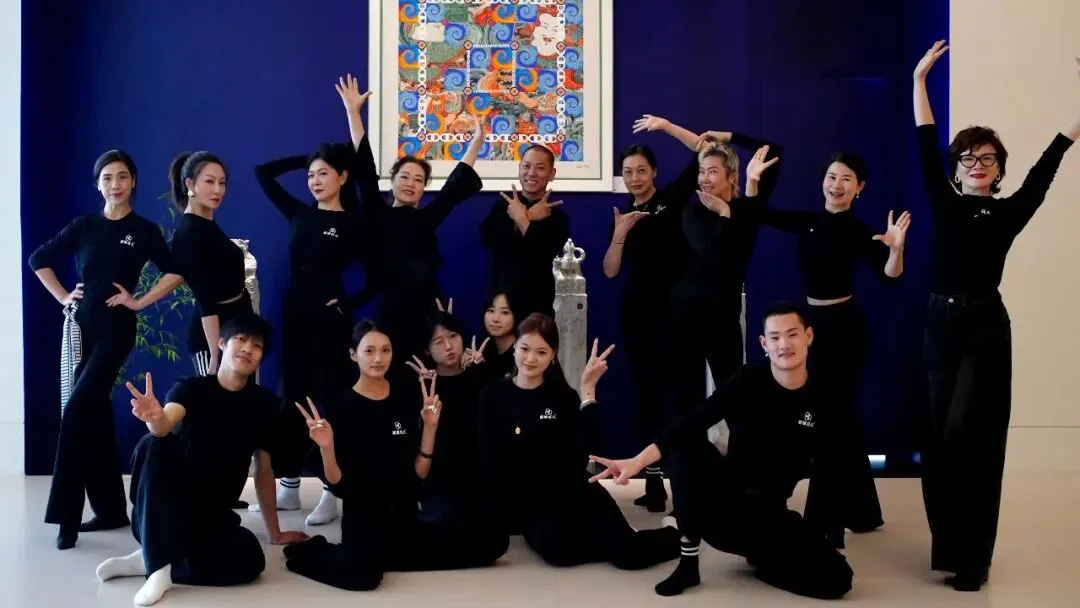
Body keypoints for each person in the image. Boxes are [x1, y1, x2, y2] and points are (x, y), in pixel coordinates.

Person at [912, 42, 1080, 592]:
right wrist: (919, 80)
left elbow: (1049, 166)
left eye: (987, 158)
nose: (978, 165)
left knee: (973, 438)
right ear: (957, 168)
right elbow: (924, 139)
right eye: (969, 158)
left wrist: (1073, 124)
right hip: (940, 326)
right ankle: (950, 550)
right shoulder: (943, 201)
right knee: (939, 438)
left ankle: (974, 557)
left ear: (999, 169)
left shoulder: (1008, 211)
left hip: (985, 329)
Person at [589, 302, 853, 600]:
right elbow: (694, 421)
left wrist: (818, 536)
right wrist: (637, 462)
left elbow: (833, 467)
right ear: (764, 344)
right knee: (686, 447)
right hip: (724, 506)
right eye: (775, 337)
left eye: (792, 334)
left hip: (771, 514)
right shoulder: (748, 381)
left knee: (838, 579)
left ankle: (765, 561)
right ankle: (688, 564)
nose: (784, 345)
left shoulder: (824, 396)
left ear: (808, 336)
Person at [735, 151, 912, 537]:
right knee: (839, 419)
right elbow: (758, 213)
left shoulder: (859, 231)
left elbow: (890, 277)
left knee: (832, 418)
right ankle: (863, 514)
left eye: (846, 179)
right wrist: (751, 181)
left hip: (844, 329)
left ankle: (825, 521)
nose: (837, 185)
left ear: (859, 187)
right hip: (813, 327)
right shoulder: (811, 222)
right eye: (832, 176)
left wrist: (896, 250)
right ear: (822, 182)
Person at [94, 314, 308, 606]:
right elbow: (165, 424)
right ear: (221, 344)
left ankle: (152, 560)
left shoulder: (265, 405)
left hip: (214, 514)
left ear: (261, 357)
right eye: (240, 339)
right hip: (169, 507)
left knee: (250, 559)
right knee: (153, 443)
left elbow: (264, 471)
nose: (247, 348)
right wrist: (155, 419)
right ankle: (158, 568)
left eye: (257, 345)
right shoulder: (191, 388)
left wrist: (275, 533)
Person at [29, 149, 184, 550]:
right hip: (82, 330)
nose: (115, 185)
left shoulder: (143, 230)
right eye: (107, 178)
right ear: (98, 184)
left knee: (77, 409)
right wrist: (64, 296)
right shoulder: (85, 226)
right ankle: (111, 509)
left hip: (117, 330)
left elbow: (176, 270)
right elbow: (38, 259)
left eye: (122, 177)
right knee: (93, 415)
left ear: (133, 181)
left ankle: (65, 517)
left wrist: (139, 301)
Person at [282, 320, 508, 591]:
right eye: (369, 351)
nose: (378, 358)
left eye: (385, 350)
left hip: (405, 521)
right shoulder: (342, 407)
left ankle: (381, 556)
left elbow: (418, 475)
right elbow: (339, 486)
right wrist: (327, 447)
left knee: (494, 541)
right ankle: (314, 550)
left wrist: (430, 428)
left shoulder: (405, 399)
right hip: (364, 521)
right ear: (353, 354)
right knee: (361, 577)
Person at [477, 313, 680, 570]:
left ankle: (672, 530)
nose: (530, 358)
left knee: (627, 556)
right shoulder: (492, 396)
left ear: (553, 355)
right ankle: (614, 540)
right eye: (525, 349)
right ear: (515, 346)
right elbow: (489, 461)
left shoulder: (563, 396)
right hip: (533, 506)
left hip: (574, 491)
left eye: (541, 352)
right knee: (558, 551)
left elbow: (587, 451)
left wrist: (588, 390)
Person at [253, 140, 371, 526]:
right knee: (293, 397)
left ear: (343, 177)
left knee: (330, 399)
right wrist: (304, 157)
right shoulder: (300, 213)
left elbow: (378, 274)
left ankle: (330, 491)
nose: (315, 180)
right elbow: (262, 173)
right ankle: (288, 485)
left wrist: (347, 300)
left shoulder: (354, 223)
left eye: (323, 173)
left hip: (331, 323)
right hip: (295, 317)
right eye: (310, 175)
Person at [341, 73, 486, 357]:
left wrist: (476, 144)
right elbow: (365, 167)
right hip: (389, 309)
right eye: (404, 177)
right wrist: (353, 112)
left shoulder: (427, 218)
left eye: (418, 180)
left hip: (427, 311)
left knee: (430, 368)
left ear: (423, 189)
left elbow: (453, 188)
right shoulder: (376, 210)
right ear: (393, 181)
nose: (410, 183)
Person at [652, 122, 783, 429]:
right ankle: (686, 458)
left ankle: (741, 456)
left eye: (712, 171)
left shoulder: (747, 207)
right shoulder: (694, 213)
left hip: (724, 316)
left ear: (732, 176)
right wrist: (725, 216)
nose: (704, 179)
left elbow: (774, 153)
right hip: (687, 313)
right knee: (687, 398)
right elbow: (715, 254)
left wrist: (729, 136)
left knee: (734, 395)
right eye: (702, 171)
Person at [603, 116, 703, 513]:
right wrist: (619, 235)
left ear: (654, 172)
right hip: (638, 317)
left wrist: (666, 127)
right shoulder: (622, 214)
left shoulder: (671, 199)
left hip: (676, 314)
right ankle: (655, 485)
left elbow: (704, 149)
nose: (635, 178)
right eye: (628, 172)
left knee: (681, 399)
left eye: (641, 170)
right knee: (647, 400)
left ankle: (687, 486)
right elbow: (610, 271)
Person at [168, 151, 251, 377]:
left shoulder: (206, 223)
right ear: (190, 184)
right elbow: (205, 299)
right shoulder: (188, 233)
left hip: (238, 328)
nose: (218, 190)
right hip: (213, 338)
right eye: (210, 182)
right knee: (214, 396)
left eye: (222, 183)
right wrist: (215, 352)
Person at [478, 144, 570, 319]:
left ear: (552, 174)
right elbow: (490, 239)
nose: (531, 173)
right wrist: (529, 216)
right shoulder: (502, 207)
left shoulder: (558, 217)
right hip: (501, 302)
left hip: (539, 303)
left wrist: (521, 219)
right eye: (526, 166)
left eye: (540, 168)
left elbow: (541, 254)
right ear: (519, 169)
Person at [479, 289, 519, 380]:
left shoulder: (522, 354)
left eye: (505, 312)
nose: (495, 319)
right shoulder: (483, 350)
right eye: (491, 310)